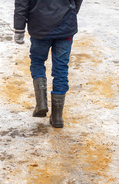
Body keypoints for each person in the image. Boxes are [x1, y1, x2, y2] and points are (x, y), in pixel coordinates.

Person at [14, 0, 83, 128]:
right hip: (65, 25)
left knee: (37, 61)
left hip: (40, 26)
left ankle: (41, 104)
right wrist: (71, 11)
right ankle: (57, 117)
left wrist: (19, 28)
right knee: (61, 68)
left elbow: (21, 4)